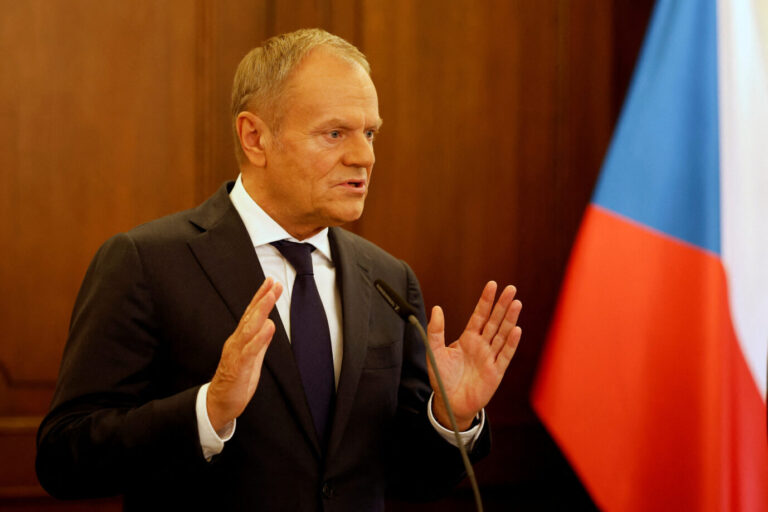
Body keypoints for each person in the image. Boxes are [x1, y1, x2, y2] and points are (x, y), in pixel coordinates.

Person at [36, 28, 522, 511]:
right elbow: (64, 457)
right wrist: (208, 410)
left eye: (370, 132)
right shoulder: (146, 262)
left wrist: (448, 417)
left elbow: (407, 480)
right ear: (255, 138)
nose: (365, 156)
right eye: (335, 133)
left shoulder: (388, 280)